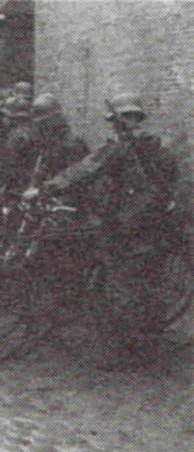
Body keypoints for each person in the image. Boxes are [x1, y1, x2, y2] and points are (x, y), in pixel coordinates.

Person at [43, 93, 181, 346]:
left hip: (128, 223)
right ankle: (149, 329)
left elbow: (88, 168)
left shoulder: (122, 147)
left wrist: (52, 185)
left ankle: (125, 345)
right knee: (145, 277)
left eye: (121, 120)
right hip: (152, 222)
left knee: (121, 280)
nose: (120, 124)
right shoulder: (159, 148)